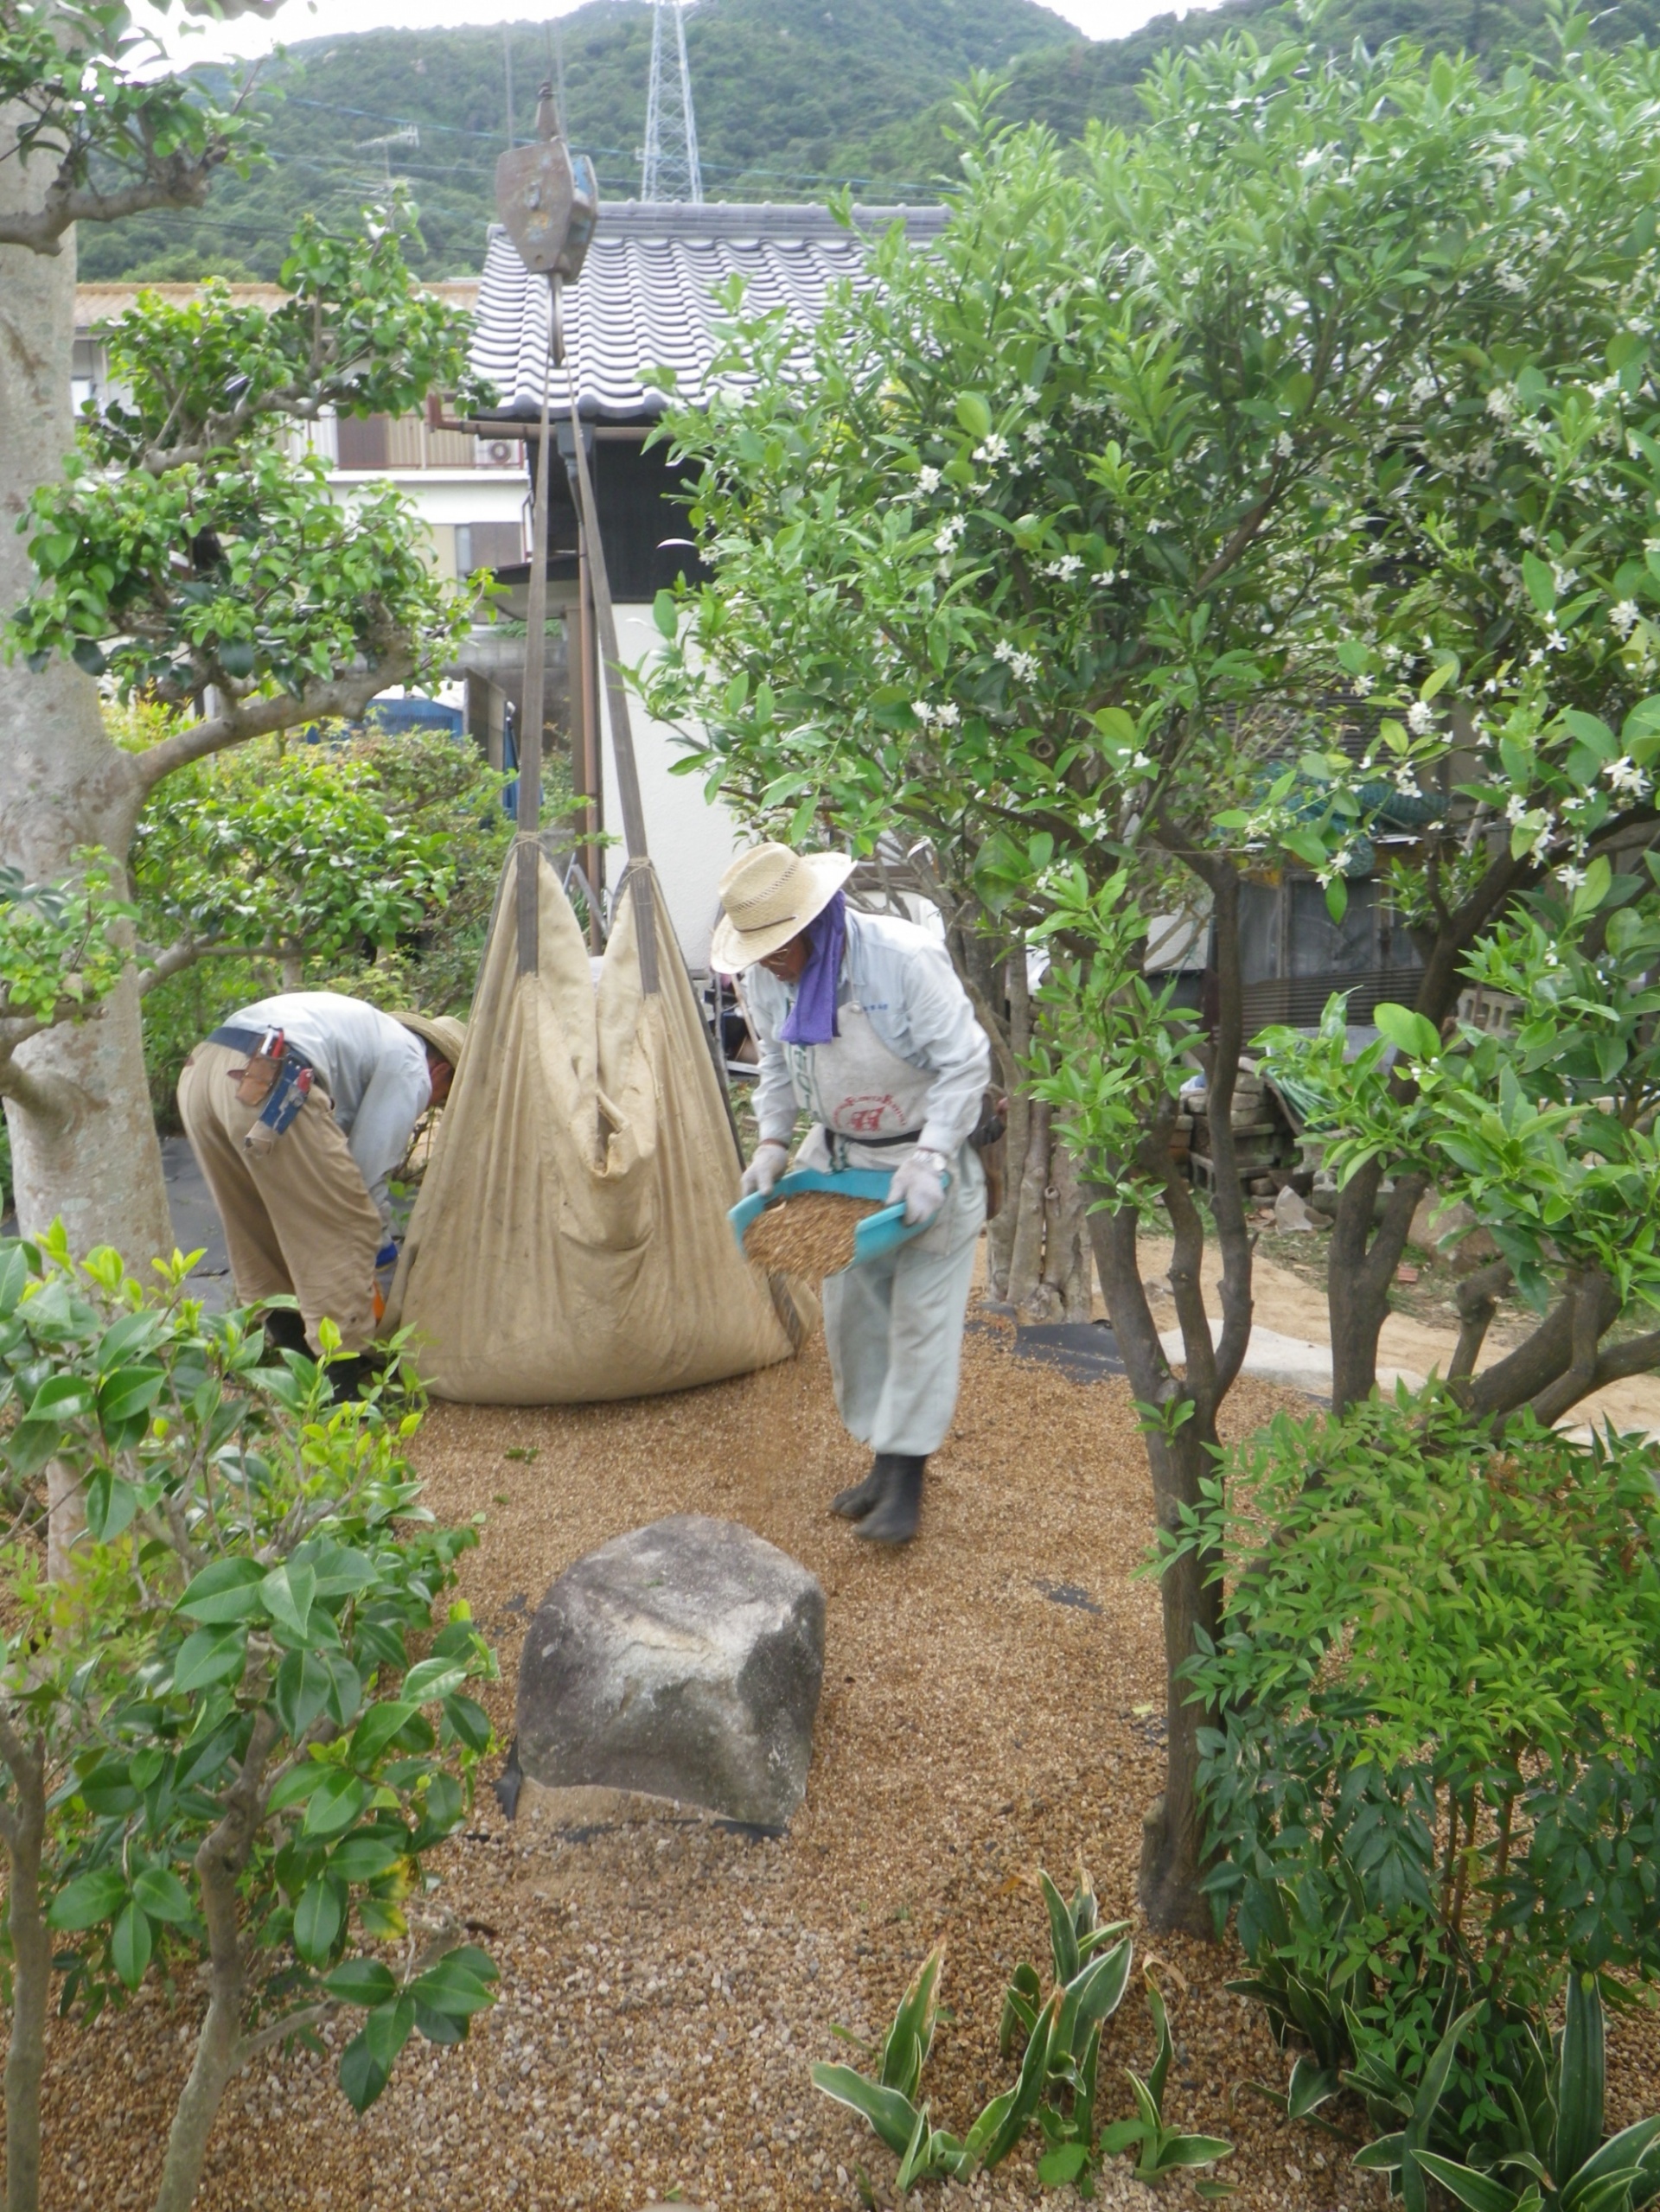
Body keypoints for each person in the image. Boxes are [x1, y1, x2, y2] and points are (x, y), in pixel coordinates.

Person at [711, 842, 990, 1546]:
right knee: (857, 1324)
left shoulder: (903, 960)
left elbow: (967, 1061)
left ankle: (908, 1484)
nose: (769, 960)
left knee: (920, 1325)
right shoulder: (773, 979)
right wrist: (773, 1142)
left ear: (814, 921)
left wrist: (931, 1156)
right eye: (758, 950)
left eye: (778, 946)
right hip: (838, 1168)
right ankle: (882, 1461)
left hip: (925, 1162)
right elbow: (775, 1059)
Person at [178, 991, 466, 1393]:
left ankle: (301, 1361)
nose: (429, 1105)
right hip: (270, 1073)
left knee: (257, 1226)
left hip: (203, 1072)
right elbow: (363, 1178)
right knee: (346, 1224)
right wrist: (384, 1258)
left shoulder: (369, 1035)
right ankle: (342, 1390)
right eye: (440, 1101)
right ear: (441, 1073)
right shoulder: (411, 1065)